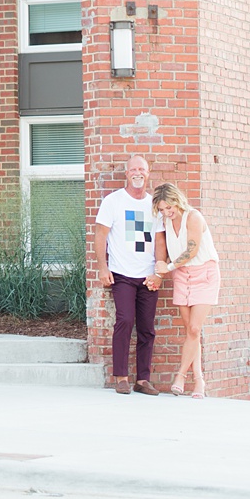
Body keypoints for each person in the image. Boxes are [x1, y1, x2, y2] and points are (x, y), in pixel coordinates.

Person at [93, 154, 164, 395]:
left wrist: (160, 272)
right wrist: (103, 267)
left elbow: (160, 240)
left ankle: (142, 380)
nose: (137, 173)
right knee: (124, 321)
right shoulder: (113, 201)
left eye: (142, 169)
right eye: (133, 169)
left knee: (147, 328)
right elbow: (100, 235)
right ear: (126, 173)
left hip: (148, 276)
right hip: (122, 274)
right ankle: (121, 377)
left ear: (148, 173)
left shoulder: (154, 205)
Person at [151, 181, 221, 398]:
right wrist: (159, 271)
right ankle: (199, 380)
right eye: (162, 209)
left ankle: (181, 375)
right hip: (182, 275)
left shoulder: (194, 217)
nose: (166, 212)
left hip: (204, 273)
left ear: (177, 201)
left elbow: (191, 251)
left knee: (194, 329)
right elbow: (163, 249)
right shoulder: (165, 221)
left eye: (169, 207)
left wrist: (167, 267)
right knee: (191, 330)